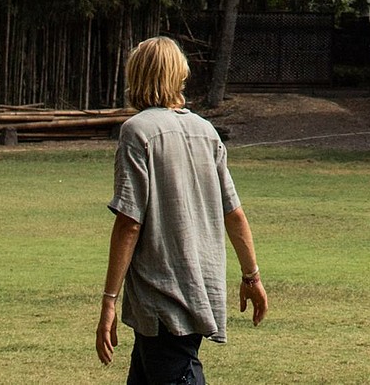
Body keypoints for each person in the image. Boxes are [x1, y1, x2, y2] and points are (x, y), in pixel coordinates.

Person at [95, 36, 268, 382]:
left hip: (163, 295)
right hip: (199, 287)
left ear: (138, 77)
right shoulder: (206, 131)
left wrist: (109, 300)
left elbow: (130, 222)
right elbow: (233, 213)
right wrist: (252, 276)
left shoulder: (137, 132)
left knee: (176, 369)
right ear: (179, 76)